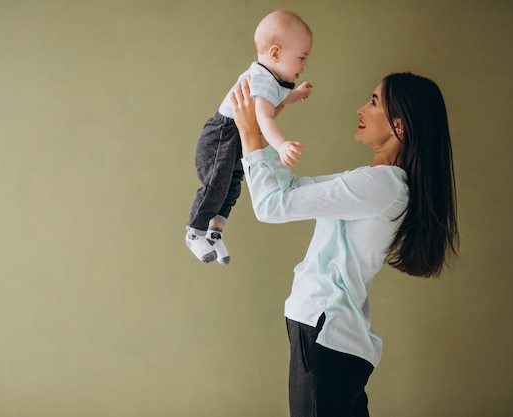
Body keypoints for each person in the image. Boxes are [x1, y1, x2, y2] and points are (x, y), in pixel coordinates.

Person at [230, 73, 459, 417]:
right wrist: (264, 133)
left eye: (373, 102)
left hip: (325, 333)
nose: (361, 109)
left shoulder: (382, 185)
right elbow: (288, 191)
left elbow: (271, 206)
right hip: (332, 337)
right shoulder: (378, 183)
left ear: (401, 125)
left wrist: (250, 133)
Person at [186, 10, 314, 266]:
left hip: (237, 137)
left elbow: (279, 98)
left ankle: (215, 231)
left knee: (233, 185)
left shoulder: (273, 79)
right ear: (276, 53)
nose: (304, 65)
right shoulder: (260, 79)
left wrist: (297, 94)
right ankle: (194, 232)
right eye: (301, 58)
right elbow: (264, 119)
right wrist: (281, 145)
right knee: (216, 185)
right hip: (222, 135)